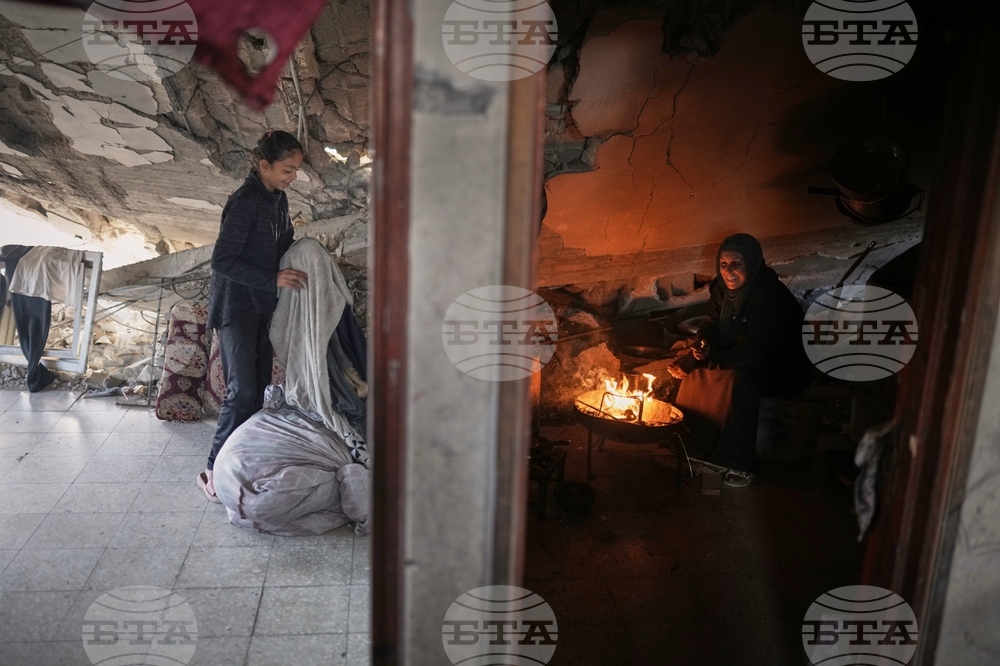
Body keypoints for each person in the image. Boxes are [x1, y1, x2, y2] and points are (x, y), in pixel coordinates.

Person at [197, 130, 309, 502]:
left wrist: (304, 254)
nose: (292, 177)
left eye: (294, 171)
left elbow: (281, 243)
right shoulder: (245, 201)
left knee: (258, 389)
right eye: (287, 170)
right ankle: (213, 469)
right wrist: (273, 277)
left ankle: (240, 462)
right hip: (237, 308)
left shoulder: (277, 200)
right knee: (240, 390)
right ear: (264, 165)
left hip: (262, 304)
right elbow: (223, 260)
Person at [668, 233, 813, 488]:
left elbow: (757, 352)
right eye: (723, 265)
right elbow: (711, 323)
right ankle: (695, 446)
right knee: (697, 368)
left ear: (753, 263)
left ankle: (739, 462)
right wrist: (701, 347)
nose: (729, 272)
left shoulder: (768, 295)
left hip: (783, 367)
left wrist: (704, 360)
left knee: (737, 376)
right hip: (747, 353)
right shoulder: (720, 289)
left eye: (737, 264)